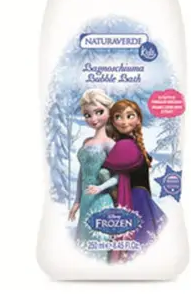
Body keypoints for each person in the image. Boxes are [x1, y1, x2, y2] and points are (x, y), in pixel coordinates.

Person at [86, 99, 167, 262]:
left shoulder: (131, 143)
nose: (124, 122)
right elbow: (110, 173)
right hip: (135, 198)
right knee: (143, 240)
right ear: (113, 121)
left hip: (140, 197)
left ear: (138, 119)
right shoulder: (124, 145)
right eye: (118, 117)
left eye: (129, 116)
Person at [67, 89, 115, 261]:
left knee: (98, 239)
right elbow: (82, 173)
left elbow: (120, 176)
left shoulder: (109, 144)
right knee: (84, 239)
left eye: (99, 112)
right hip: (86, 199)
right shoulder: (86, 142)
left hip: (101, 199)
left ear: (109, 111)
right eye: (87, 115)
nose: (93, 119)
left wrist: (100, 187)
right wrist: (77, 201)